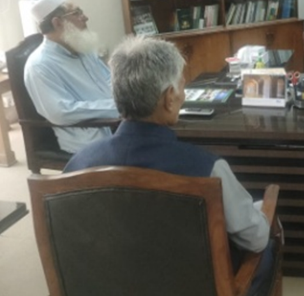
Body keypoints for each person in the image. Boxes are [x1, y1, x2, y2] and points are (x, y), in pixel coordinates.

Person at [64, 36, 274, 295]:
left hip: (109, 285)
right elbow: (255, 238)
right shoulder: (209, 170)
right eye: (182, 87)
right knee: (266, 244)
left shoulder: (76, 165)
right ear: (169, 98)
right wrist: (261, 210)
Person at [24, 0, 118, 153]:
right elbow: (61, 113)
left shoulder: (83, 48)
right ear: (57, 22)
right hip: (88, 139)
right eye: (77, 13)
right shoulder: (39, 65)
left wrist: (132, 99)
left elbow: (109, 80)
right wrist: (117, 108)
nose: (85, 17)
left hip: (119, 123)